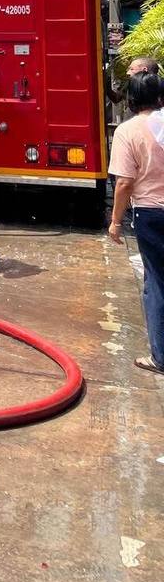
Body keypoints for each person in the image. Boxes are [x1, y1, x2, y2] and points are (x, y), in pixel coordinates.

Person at [108, 71, 164, 374]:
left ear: (131, 99)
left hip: (151, 215)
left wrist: (115, 222)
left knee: (155, 285)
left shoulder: (128, 131)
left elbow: (124, 183)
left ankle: (160, 356)